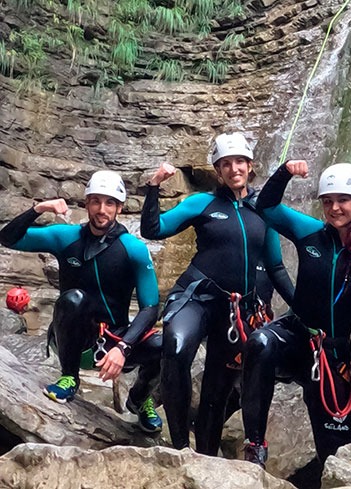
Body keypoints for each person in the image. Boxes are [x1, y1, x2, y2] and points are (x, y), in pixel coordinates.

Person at [141, 133, 294, 455]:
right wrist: (153, 187)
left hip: (235, 310)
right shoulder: (202, 203)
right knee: (177, 348)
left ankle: (207, 458)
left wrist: (303, 309)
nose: (233, 168)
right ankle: (180, 447)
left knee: (217, 391)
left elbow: (276, 268)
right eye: (226, 164)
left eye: (239, 162)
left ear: (250, 166)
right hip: (195, 297)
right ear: (218, 170)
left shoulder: (264, 210)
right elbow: (153, 230)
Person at [241, 160, 351, 467]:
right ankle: (255, 446)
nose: (334, 208)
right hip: (294, 335)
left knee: (333, 454)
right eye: (328, 201)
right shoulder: (310, 232)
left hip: (333, 354)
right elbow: (265, 206)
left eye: (343, 200)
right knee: (259, 343)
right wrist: (285, 171)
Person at [0, 170, 163, 433]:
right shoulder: (66, 237)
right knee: (73, 298)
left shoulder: (133, 248)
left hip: (116, 341)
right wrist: (39, 208)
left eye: (109, 203)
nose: (101, 209)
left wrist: (123, 347)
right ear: (86, 203)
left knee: (164, 343)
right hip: (75, 338)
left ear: (119, 207)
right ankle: (69, 378)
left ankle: (140, 399)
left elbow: (150, 307)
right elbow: (8, 238)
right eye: (95, 201)